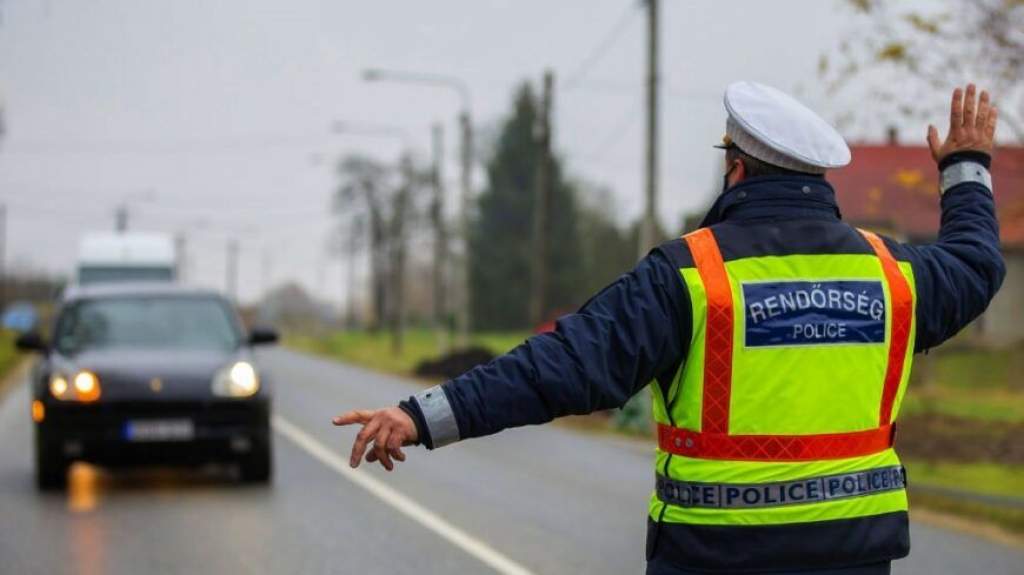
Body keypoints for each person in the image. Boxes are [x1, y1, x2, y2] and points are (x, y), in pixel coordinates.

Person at [333, 81, 1004, 574]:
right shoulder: (892, 275)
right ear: (817, 178)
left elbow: (560, 365)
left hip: (715, 559)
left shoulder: (691, 274)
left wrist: (424, 415)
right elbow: (976, 264)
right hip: (855, 557)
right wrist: (965, 169)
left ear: (735, 168)